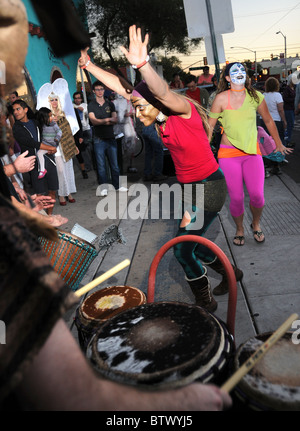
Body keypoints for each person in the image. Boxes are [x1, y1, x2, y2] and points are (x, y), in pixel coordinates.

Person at [79, 25, 243, 309]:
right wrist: (88, 64)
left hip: (210, 186)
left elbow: (161, 91)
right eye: (135, 107)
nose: (136, 111)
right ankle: (231, 274)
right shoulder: (159, 117)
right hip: (192, 190)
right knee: (195, 246)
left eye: (142, 107)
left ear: (158, 104)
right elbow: (125, 89)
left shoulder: (182, 111)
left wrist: (142, 65)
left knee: (182, 250)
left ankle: (204, 299)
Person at [208, 62, 292, 247]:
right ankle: (239, 229)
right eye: (234, 72)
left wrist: (278, 143)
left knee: (257, 196)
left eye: (242, 71)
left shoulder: (255, 96)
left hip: (252, 154)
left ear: (246, 77)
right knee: (236, 198)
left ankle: (256, 223)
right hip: (228, 155)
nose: (240, 74)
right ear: (228, 79)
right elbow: (210, 127)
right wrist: (205, 152)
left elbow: (269, 120)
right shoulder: (220, 98)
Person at [12, 99, 59, 207]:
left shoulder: (35, 122)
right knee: (39, 195)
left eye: (18, 109)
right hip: (32, 163)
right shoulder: (16, 127)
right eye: (14, 110)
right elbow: (31, 142)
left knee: (52, 190)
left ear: (25, 110)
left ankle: (50, 217)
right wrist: (50, 147)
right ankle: (44, 219)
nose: (15, 112)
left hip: (47, 159)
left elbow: (46, 131)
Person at [88, 80, 128, 196]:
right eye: (97, 90)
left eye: (101, 89)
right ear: (94, 91)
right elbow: (93, 121)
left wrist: (103, 121)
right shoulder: (91, 105)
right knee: (101, 166)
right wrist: (107, 120)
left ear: (104, 90)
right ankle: (104, 187)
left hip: (111, 138)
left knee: (114, 165)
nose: (100, 91)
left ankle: (117, 185)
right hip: (98, 139)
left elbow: (115, 120)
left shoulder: (110, 104)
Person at [48, 92, 77, 206]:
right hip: (56, 147)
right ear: (49, 102)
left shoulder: (63, 113)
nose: (54, 102)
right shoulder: (47, 116)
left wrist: (74, 145)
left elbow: (68, 131)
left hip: (66, 144)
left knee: (68, 169)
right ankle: (61, 194)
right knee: (60, 171)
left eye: (56, 99)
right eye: (52, 100)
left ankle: (69, 193)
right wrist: (50, 122)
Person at [259, 77, 287, 176]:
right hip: (275, 121)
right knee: (277, 143)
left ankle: (267, 164)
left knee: (266, 144)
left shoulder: (263, 95)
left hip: (264, 121)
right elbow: (280, 110)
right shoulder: (277, 95)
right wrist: (284, 120)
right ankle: (277, 164)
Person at [36, 107, 62, 179]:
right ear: (43, 118)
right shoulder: (41, 126)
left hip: (52, 145)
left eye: (51, 116)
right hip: (45, 145)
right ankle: (42, 169)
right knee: (39, 153)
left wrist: (57, 138)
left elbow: (59, 131)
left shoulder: (53, 124)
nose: (52, 118)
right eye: (49, 116)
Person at [73, 91, 93, 172]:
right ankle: (87, 166)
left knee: (91, 148)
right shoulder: (72, 106)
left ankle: (94, 164)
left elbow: (89, 115)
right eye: (75, 98)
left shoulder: (85, 105)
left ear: (81, 99)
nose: (77, 100)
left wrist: (83, 110)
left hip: (87, 128)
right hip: (78, 131)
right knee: (83, 150)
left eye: (79, 98)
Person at [282, 74, 296, 147]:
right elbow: (285, 98)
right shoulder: (287, 89)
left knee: (291, 124)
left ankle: (288, 139)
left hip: (292, 108)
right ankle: (287, 140)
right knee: (289, 124)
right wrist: (294, 100)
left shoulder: (293, 88)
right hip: (288, 109)